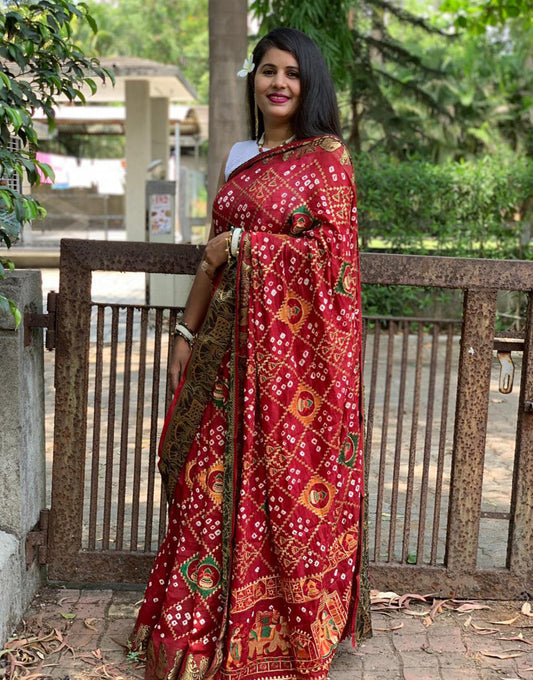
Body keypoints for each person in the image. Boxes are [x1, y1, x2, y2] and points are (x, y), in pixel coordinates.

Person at [130, 26, 371, 680]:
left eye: (290, 72)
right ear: (254, 80)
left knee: (282, 490)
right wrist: (185, 335)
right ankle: (196, 635)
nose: (277, 83)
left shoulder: (326, 160)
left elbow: (333, 268)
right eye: (267, 71)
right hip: (223, 360)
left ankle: (284, 634)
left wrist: (245, 248)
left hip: (292, 375)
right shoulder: (240, 154)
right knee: (204, 487)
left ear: (308, 82)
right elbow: (212, 255)